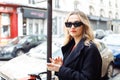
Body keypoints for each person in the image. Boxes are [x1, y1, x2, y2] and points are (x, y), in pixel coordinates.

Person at [47, 10, 102, 80]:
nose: (72, 27)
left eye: (76, 24)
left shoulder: (90, 48)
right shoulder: (70, 45)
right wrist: (61, 66)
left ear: (84, 26)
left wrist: (60, 69)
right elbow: (71, 71)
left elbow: (87, 78)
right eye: (69, 24)